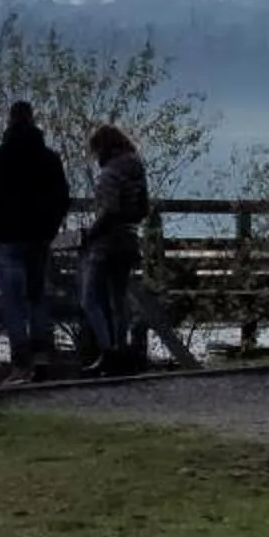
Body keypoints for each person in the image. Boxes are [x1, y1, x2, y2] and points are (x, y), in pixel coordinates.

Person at [0, 100, 70, 381]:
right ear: (32, 119)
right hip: (38, 237)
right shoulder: (49, 158)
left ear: (9, 120)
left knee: (13, 301)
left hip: (6, 238)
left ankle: (21, 361)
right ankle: (40, 355)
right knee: (37, 297)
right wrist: (50, 230)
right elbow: (62, 198)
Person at [78, 122, 150, 377]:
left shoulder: (110, 173)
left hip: (106, 243)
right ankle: (122, 349)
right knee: (119, 299)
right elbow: (143, 208)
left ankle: (107, 351)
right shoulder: (137, 169)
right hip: (129, 239)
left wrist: (91, 234)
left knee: (89, 299)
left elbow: (110, 210)